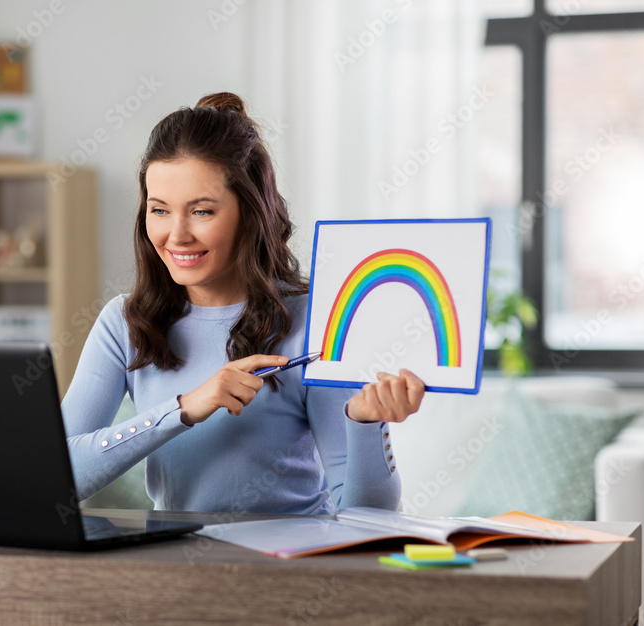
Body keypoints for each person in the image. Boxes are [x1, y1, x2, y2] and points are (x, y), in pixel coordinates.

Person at [61, 92, 424, 515]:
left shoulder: (316, 322)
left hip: (290, 569)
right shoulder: (123, 324)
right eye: (159, 210)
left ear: (250, 214)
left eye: (201, 212)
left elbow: (367, 514)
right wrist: (185, 408)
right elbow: (59, 474)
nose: (176, 235)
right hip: (174, 569)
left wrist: (366, 424)